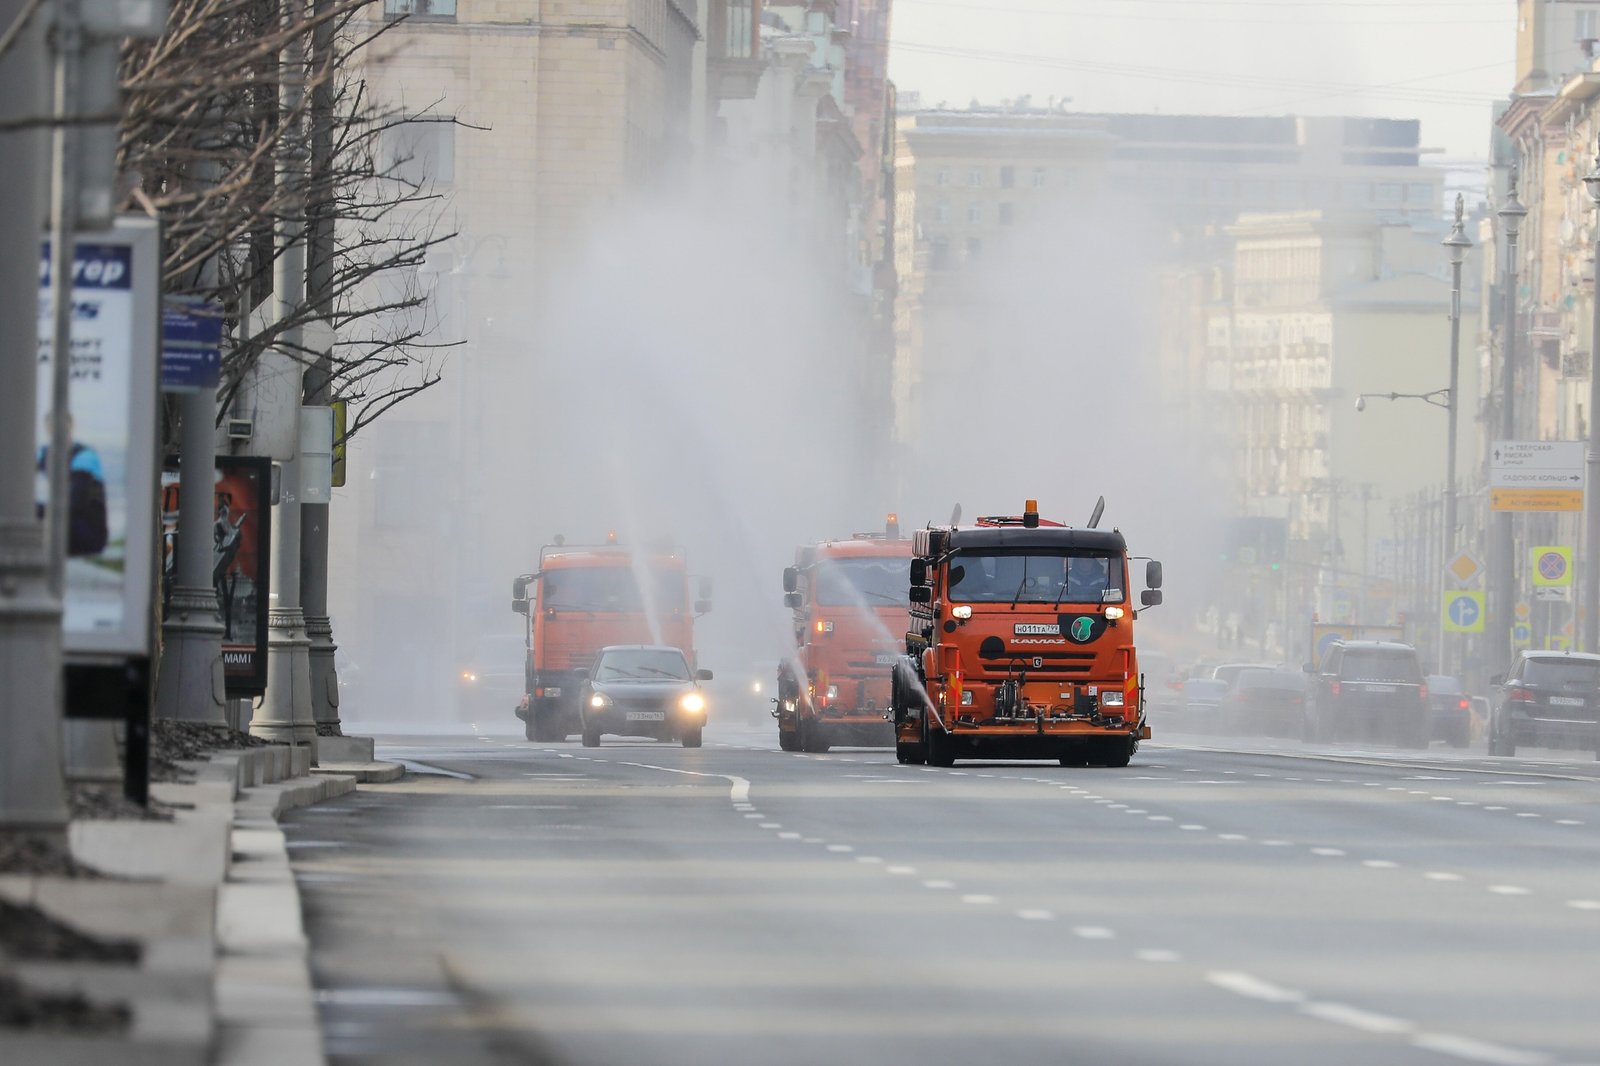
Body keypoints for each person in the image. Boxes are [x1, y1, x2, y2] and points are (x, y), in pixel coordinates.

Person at [36, 411, 109, 557]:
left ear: (70, 426)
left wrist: (39, 510)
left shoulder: (85, 456)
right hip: (64, 522)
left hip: (85, 529)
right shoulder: (45, 453)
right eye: (51, 428)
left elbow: (77, 501)